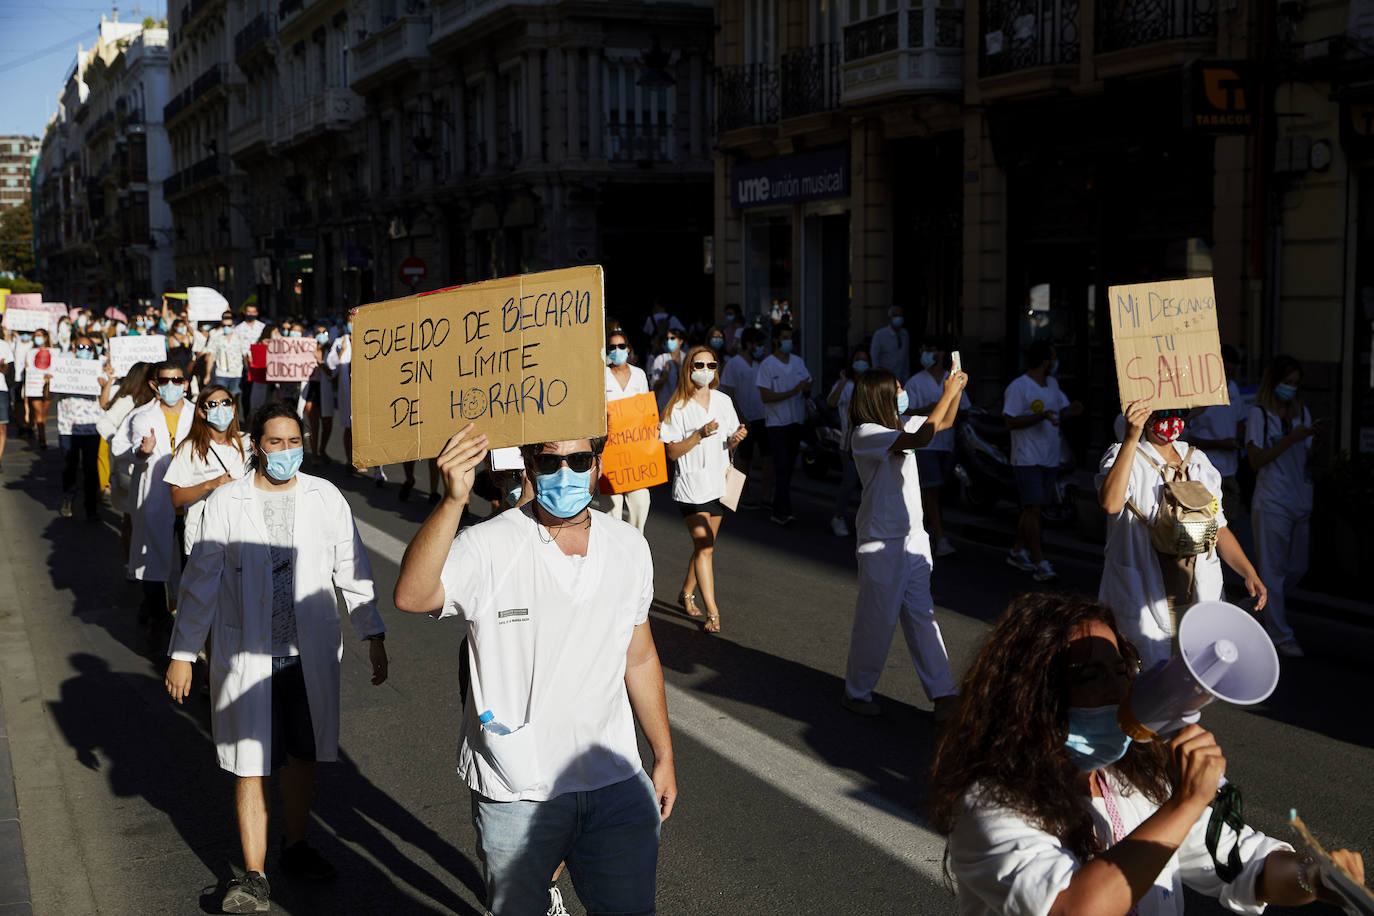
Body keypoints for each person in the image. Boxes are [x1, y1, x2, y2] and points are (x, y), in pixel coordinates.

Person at [929, 592, 1364, 916]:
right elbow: (1074, 909)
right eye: (1090, 674)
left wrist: (1313, 877)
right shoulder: (991, 802)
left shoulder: (1136, 781)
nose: (1118, 690)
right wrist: (1186, 803)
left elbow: (1244, 865)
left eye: (1121, 671)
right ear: (1030, 694)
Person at [392, 427, 676, 916]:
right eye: (548, 463)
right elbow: (412, 596)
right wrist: (452, 501)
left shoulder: (629, 546)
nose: (563, 474)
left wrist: (663, 753)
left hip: (615, 784)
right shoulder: (487, 545)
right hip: (516, 790)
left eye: (577, 461)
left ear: (598, 466)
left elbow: (640, 656)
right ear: (528, 468)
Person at [165, 402, 387, 914]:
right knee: (250, 766)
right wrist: (183, 653)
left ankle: (297, 845)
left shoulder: (324, 496)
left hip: (307, 654)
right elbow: (200, 581)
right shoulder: (228, 502)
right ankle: (254, 875)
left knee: (303, 757)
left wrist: (371, 631)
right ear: (257, 446)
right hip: (249, 656)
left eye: (293, 442)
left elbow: (351, 567)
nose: (285, 452)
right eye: (274, 443)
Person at [1096, 401, 1267, 669]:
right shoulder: (1124, 456)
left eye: (1178, 413)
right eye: (1162, 414)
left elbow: (1219, 527)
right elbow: (1110, 504)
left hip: (1194, 596)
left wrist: (1248, 572)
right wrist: (1131, 439)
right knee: (1142, 685)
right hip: (1142, 595)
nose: (1171, 420)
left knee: (1188, 683)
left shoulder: (1198, 461)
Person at [841, 367, 966, 720]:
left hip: (912, 539)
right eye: (896, 388)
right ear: (879, 396)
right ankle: (856, 692)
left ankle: (943, 694)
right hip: (880, 543)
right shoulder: (866, 434)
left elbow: (942, 424)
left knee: (922, 616)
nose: (902, 391)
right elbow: (923, 438)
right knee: (876, 623)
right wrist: (946, 394)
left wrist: (953, 392)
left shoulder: (902, 424)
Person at [660, 345, 747, 632]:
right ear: (689, 370)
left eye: (711, 365)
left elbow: (729, 442)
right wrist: (699, 434)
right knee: (705, 546)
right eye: (699, 366)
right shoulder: (678, 407)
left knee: (704, 547)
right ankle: (713, 612)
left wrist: (736, 438)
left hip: (719, 484)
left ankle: (686, 591)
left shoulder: (723, 400)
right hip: (691, 487)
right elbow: (671, 453)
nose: (705, 371)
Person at [118, 360, 196, 644]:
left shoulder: (198, 414)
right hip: (156, 499)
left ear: (186, 384)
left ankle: (187, 619)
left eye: (178, 381)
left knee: (192, 563)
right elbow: (130, 452)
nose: (172, 386)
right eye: (165, 381)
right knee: (153, 564)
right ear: (155, 384)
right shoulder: (142, 416)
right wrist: (142, 452)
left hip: (190, 501)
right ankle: (157, 619)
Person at [1245, 355, 1318, 658]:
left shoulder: (1302, 413)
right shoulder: (1259, 415)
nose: (1291, 389)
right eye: (1287, 383)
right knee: (1272, 571)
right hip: (1272, 500)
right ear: (1273, 382)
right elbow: (1255, 460)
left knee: (1297, 567)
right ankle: (1279, 635)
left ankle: (1255, 606)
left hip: (1299, 499)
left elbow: (1308, 457)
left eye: (1295, 384)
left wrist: (1310, 440)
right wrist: (1290, 440)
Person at [1003, 340, 1083, 582]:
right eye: (1053, 357)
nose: (1055, 362)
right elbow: (1010, 421)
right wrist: (1040, 416)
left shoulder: (1053, 384)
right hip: (1027, 457)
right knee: (1034, 508)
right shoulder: (1019, 387)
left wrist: (1071, 411)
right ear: (1045, 360)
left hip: (1049, 457)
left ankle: (1016, 551)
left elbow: (1060, 410)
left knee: (1032, 509)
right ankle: (1040, 562)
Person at [164, 385, 251, 564]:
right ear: (202, 412)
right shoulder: (189, 447)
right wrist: (210, 484)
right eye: (212, 404)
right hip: (202, 540)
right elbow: (176, 498)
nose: (220, 408)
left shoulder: (248, 443)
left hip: (242, 537)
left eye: (225, 402)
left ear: (234, 408)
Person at [905, 335, 970, 557]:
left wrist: (955, 393)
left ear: (942, 354)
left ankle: (922, 528)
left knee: (935, 490)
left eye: (930, 349)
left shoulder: (951, 378)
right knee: (932, 489)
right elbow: (906, 411)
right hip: (924, 445)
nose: (925, 353)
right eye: (923, 349)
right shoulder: (915, 381)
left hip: (945, 443)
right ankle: (940, 537)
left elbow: (957, 414)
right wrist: (930, 408)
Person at [756, 325, 811, 526]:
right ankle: (781, 511)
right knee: (781, 465)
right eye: (785, 338)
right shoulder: (767, 365)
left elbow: (807, 382)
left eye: (791, 337)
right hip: (777, 422)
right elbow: (765, 396)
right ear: (777, 340)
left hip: (795, 420)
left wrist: (805, 389)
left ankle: (780, 506)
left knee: (788, 468)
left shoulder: (798, 362)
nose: (789, 341)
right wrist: (793, 391)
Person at [100, 363, 155, 560]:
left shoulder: (157, 402)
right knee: (131, 518)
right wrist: (122, 444)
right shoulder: (127, 401)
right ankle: (132, 561)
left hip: (153, 469)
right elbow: (104, 424)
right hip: (129, 469)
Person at [56, 335, 114, 521]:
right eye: (80, 347)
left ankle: (91, 507)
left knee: (90, 468)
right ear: (73, 349)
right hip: (68, 427)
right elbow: (48, 394)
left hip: (91, 427)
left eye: (88, 348)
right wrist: (49, 381)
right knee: (69, 465)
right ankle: (68, 498)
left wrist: (106, 384)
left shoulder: (100, 370)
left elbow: (104, 403)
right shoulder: (63, 367)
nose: (84, 350)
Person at [1186, 345, 1244, 525]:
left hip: (1229, 472)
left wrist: (1239, 437)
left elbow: (1240, 419)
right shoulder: (1198, 391)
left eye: (1232, 373)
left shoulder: (1233, 388)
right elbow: (1185, 437)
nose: (1228, 376)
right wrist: (1220, 444)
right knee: (1204, 524)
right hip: (1203, 471)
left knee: (1227, 524)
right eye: (1226, 371)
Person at [603, 329, 653, 532]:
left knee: (641, 500)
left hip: (635, 447)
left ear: (629, 349)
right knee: (611, 509)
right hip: (610, 447)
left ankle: (636, 544)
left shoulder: (639, 375)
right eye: (612, 347)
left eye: (621, 346)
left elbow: (646, 409)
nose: (617, 350)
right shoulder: (601, 375)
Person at [719, 327, 770, 509]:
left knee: (766, 457)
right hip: (742, 419)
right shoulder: (734, 364)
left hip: (761, 417)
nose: (761, 348)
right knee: (743, 458)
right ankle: (739, 494)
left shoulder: (760, 364)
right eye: (758, 345)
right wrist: (739, 417)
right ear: (748, 344)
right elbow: (730, 393)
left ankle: (766, 495)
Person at [826, 346, 871, 537]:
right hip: (849, 444)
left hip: (871, 443)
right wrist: (843, 383)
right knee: (849, 483)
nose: (860, 362)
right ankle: (838, 517)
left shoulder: (872, 385)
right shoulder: (846, 385)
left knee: (870, 485)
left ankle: (868, 522)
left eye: (864, 359)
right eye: (857, 359)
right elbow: (831, 402)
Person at [204, 311, 250, 400]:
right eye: (224, 326)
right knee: (220, 397)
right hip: (221, 373)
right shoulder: (217, 338)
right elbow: (211, 357)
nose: (226, 328)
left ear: (233, 325)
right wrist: (207, 375)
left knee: (234, 398)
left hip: (236, 373)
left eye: (228, 326)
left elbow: (245, 356)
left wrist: (248, 370)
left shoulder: (240, 338)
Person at [24, 328, 55, 449]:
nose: (37, 338)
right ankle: (42, 436)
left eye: (40, 335)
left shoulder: (53, 352)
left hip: (48, 385)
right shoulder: (30, 352)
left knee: (44, 411)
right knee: (38, 411)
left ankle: (41, 433)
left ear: (46, 338)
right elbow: (28, 367)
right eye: (36, 336)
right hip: (34, 385)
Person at [648, 326, 685, 418]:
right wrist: (665, 375)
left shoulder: (686, 358)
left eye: (672, 338)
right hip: (664, 405)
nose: (669, 341)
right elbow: (654, 386)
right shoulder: (661, 359)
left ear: (680, 341)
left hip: (682, 405)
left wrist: (679, 370)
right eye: (667, 338)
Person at [869, 306, 910, 380]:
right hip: (885, 378)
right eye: (895, 315)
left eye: (900, 315)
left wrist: (906, 376)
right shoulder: (880, 335)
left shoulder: (905, 334)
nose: (898, 318)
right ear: (890, 318)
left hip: (901, 378)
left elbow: (906, 358)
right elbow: (874, 357)